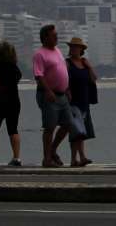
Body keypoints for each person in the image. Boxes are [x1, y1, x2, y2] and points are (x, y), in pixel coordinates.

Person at [32, 24, 71, 168]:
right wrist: (48, 91)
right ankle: (47, 158)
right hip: (48, 95)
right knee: (50, 127)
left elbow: (62, 71)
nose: (56, 37)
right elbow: (39, 75)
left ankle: (53, 150)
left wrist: (67, 89)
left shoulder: (58, 51)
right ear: (45, 37)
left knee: (67, 124)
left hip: (62, 95)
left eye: (56, 34)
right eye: (53, 35)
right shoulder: (40, 54)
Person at [65, 37, 98, 167]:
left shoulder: (85, 63)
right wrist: (67, 91)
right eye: (72, 47)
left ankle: (75, 159)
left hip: (84, 101)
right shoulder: (67, 63)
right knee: (77, 130)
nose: (74, 49)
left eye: (76, 47)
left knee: (81, 132)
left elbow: (94, 79)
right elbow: (63, 78)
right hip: (73, 101)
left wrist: (89, 67)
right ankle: (80, 157)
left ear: (81, 49)